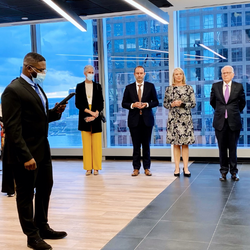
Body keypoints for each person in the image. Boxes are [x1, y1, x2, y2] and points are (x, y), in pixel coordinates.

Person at [1, 52, 67, 250]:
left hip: (42, 149)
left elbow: (36, 118)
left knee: (46, 187)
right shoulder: (13, 90)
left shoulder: (36, 87)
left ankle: (42, 226)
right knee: (26, 194)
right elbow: (13, 128)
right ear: (28, 68)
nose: (43, 73)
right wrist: (26, 156)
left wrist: (54, 114)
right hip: (25, 154)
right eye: (41, 70)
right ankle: (32, 236)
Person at [210, 65, 246, 181]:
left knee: (233, 148)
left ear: (232, 74)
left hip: (234, 121)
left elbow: (242, 103)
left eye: (227, 73)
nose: (225, 75)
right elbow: (212, 102)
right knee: (222, 148)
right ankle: (223, 171)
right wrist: (221, 111)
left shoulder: (238, 86)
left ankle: (234, 172)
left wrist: (233, 112)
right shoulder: (215, 86)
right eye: (223, 73)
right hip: (220, 121)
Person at [122, 66, 159, 176]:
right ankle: (136, 168)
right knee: (136, 146)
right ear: (134, 74)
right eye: (137, 73)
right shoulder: (129, 88)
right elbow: (124, 103)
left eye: (141, 73)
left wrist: (146, 104)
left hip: (147, 120)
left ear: (144, 74)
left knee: (146, 145)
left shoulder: (150, 86)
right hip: (134, 120)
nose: (139, 75)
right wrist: (133, 105)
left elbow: (156, 102)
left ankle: (147, 168)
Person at [164, 68, 196, 177]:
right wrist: (172, 104)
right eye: (176, 74)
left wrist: (182, 104)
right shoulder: (169, 89)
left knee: (185, 144)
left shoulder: (188, 88)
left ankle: (186, 168)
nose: (178, 76)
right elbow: (165, 104)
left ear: (183, 75)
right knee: (176, 144)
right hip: (173, 119)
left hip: (185, 119)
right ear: (173, 76)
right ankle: (177, 168)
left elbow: (193, 103)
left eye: (180, 74)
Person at [75, 65, 104, 176]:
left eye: (93, 72)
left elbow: (101, 102)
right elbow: (78, 103)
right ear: (85, 73)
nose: (91, 74)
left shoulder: (98, 86)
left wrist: (96, 113)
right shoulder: (79, 86)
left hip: (96, 117)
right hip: (85, 116)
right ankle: (88, 168)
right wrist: (89, 112)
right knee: (86, 145)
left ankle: (96, 168)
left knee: (96, 144)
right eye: (89, 72)